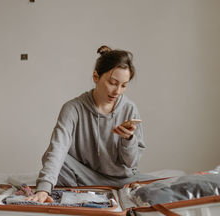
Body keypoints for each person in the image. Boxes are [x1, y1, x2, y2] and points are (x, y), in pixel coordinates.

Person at [27, 45, 153, 203]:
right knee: (57, 159)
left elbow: (132, 163)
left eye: (124, 85)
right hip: (86, 177)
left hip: (121, 179)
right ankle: (83, 196)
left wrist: (128, 140)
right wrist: (43, 189)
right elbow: (57, 149)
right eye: (113, 83)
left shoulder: (129, 109)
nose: (117, 91)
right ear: (96, 77)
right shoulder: (73, 108)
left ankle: (87, 194)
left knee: (161, 188)